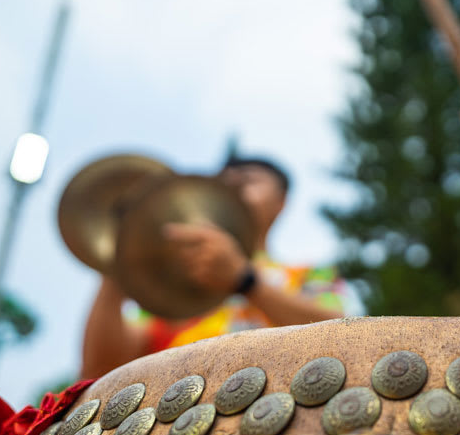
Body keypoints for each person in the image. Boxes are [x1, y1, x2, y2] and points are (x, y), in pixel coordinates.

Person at [80, 156, 349, 379]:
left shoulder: (311, 275)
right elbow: (99, 371)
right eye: (220, 185)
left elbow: (342, 338)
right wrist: (119, 257)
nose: (230, 189)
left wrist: (244, 281)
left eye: (247, 181)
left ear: (281, 202)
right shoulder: (167, 292)